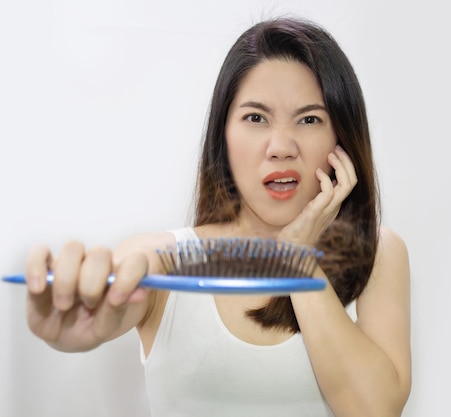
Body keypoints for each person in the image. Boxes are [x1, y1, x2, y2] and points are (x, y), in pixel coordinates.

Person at [24, 16, 412, 417]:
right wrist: (75, 322)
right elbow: (103, 309)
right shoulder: (161, 258)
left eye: (310, 118)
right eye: (256, 118)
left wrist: (298, 259)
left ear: (342, 139)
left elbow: (375, 409)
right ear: (222, 135)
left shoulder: (377, 254)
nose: (280, 147)